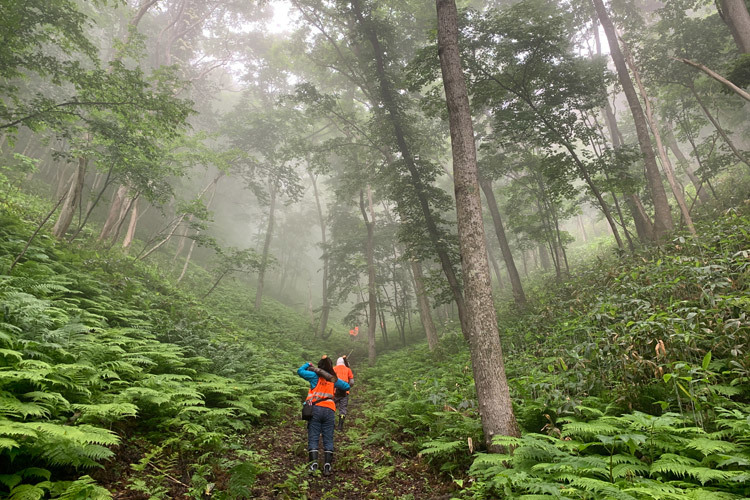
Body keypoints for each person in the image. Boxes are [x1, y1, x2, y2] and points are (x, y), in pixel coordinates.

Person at [297, 356, 350, 475]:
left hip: (315, 410)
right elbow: (347, 387)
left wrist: (308, 363)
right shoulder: (333, 379)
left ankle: (314, 465)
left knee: (314, 435)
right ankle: (327, 466)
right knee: (328, 437)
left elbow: (300, 371)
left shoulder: (314, 376)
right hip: (330, 410)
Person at [333, 356, 354, 431]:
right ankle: (340, 426)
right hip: (345, 392)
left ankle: (331, 424)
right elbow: (352, 382)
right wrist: (347, 386)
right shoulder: (348, 369)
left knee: (332, 407)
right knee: (343, 409)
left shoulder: (333, 369)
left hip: (334, 392)